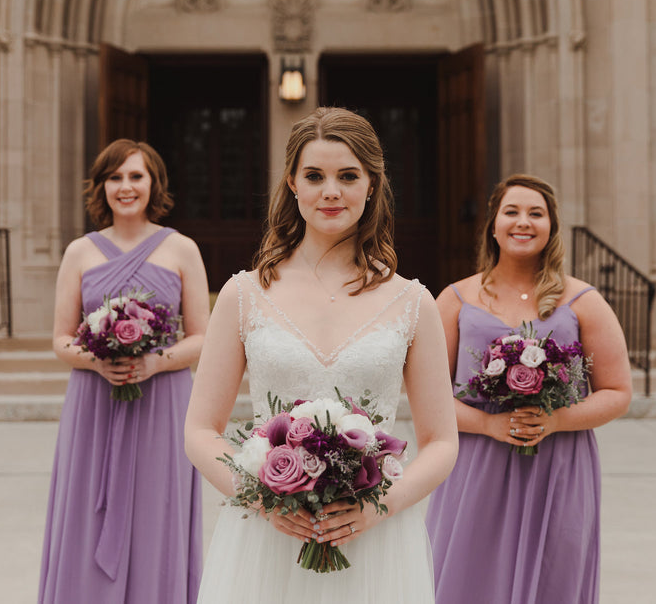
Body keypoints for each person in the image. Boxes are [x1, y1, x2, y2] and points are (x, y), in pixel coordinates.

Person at [184, 107, 458, 603]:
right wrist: (262, 498)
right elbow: (199, 431)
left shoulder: (413, 302)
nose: (331, 191)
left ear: (372, 185)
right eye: (315, 176)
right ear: (292, 182)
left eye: (348, 176)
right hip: (266, 536)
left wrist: (379, 507)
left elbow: (441, 440)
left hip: (373, 536)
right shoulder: (244, 295)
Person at [424, 174, 633, 604]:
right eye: (512, 212)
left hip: (559, 462)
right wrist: (489, 423)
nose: (524, 222)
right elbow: (425, 398)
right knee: (468, 577)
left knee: (555, 577)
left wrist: (555, 419)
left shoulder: (582, 300)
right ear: (494, 224)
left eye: (536, 213)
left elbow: (616, 391)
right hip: (475, 464)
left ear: (551, 226)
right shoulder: (454, 300)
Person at [38, 139, 210, 603]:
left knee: (158, 511)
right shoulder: (79, 252)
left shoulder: (181, 249)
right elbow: (60, 340)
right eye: (115, 177)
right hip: (95, 401)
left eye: (136, 176)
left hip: (164, 401)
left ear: (153, 183)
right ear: (102, 186)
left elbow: (201, 338)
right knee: (85, 514)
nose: (125, 186)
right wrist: (100, 358)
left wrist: (154, 362)